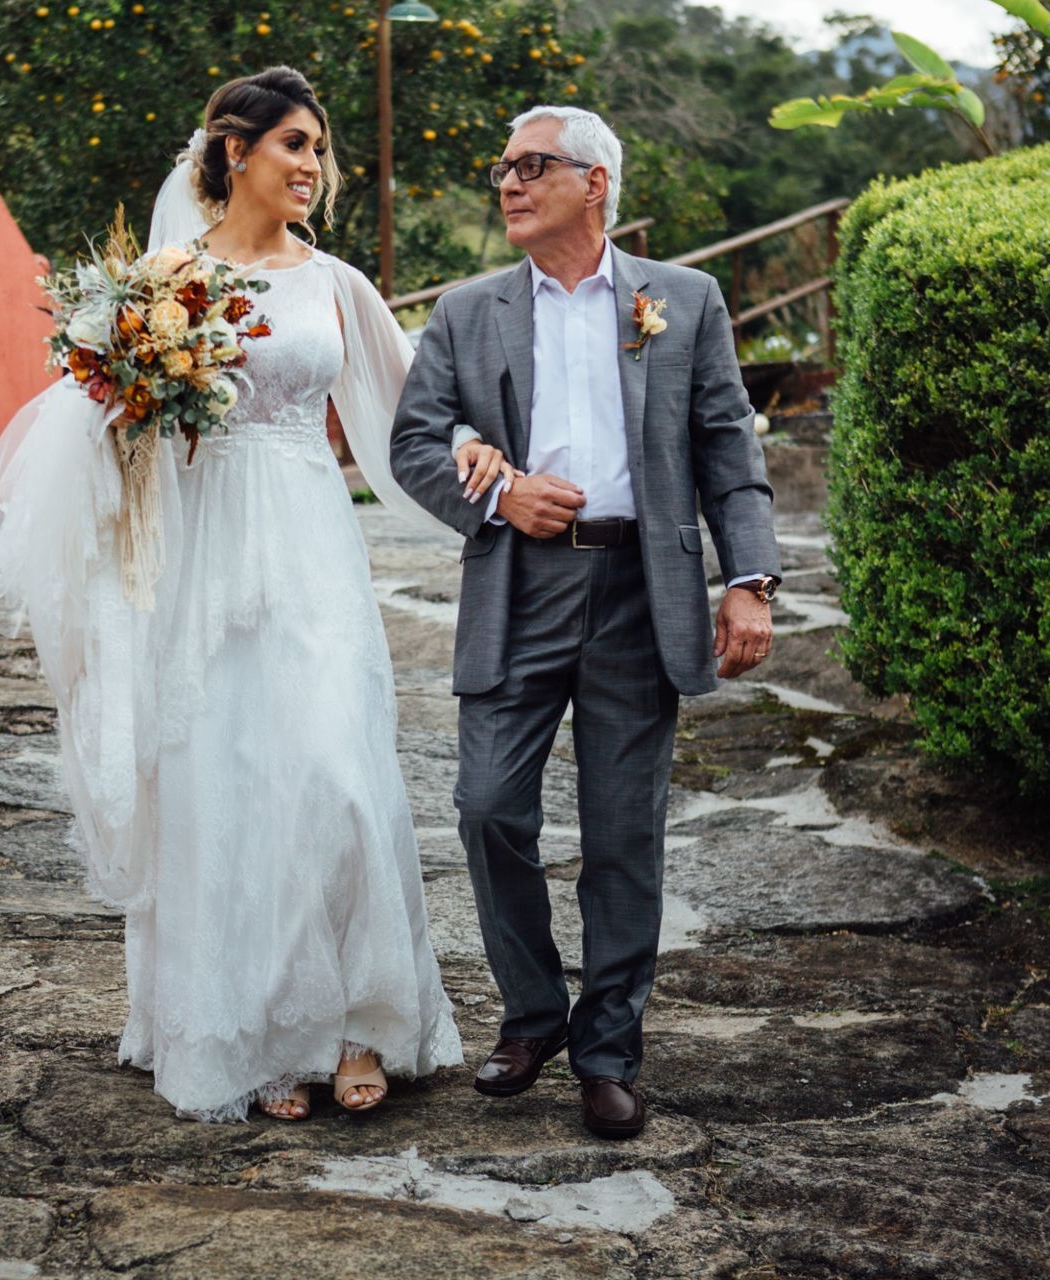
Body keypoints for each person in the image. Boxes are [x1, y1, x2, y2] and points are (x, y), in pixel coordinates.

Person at [0, 67, 506, 1123]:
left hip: (313, 546)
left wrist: (483, 467)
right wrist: (133, 393)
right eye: (295, 144)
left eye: (321, 150)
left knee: (334, 770)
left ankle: (360, 1022)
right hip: (201, 552)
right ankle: (264, 1032)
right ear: (234, 151)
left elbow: (411, 400)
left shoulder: (335, 282)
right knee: (231, 780)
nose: (314, 167)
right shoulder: (164, 280)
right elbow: (97, 420)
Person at [389, 105, 781, 1140]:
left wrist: (750, 579)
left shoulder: (683, 300)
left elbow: (727, 450)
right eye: (502, 168)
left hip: (638, 592)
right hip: (516, 583)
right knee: (485, 806)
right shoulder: (466, 311)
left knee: (623, 835)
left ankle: (607, 1049)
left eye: (532, 166)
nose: (508, 184)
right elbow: (415, 442)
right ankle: (532, 1013)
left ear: (595, 182)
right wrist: (498, 494)